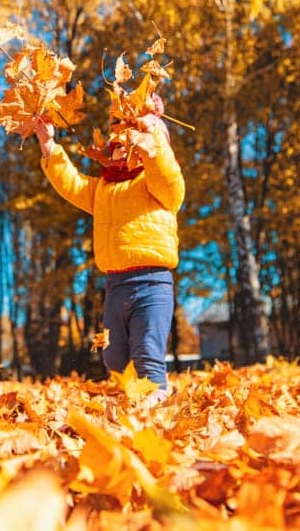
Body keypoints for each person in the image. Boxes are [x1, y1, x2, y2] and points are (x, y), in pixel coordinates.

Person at [32, 99, 184, 407]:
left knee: (146, 350)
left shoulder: (157, 185)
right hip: (116, 286)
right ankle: (133, 400)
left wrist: (150, 128)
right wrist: (49, 145)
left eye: (129, 142)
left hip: (153, 283)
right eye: (115, 143)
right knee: (113, 357)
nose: (119, 146)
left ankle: (157, 397)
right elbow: (70, 184)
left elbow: (165, 171)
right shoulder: (101, 190)